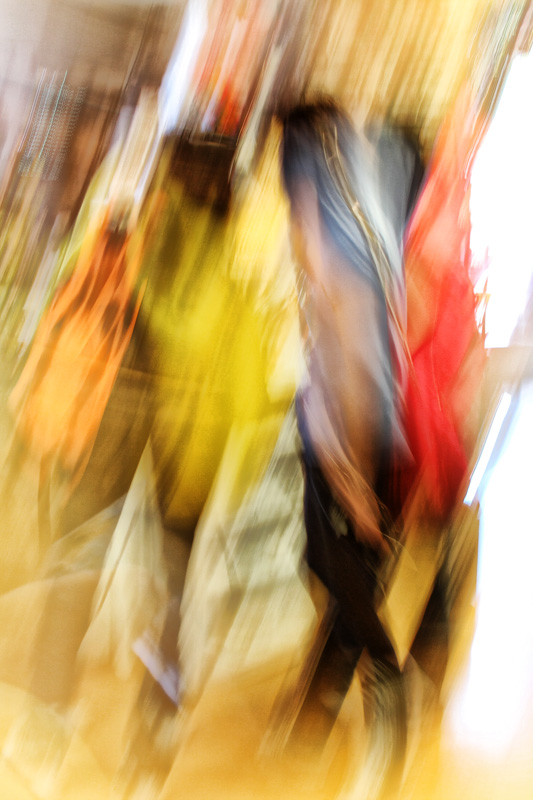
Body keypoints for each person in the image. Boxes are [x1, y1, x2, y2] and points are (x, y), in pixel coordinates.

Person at [279, 99, 423, 781]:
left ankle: (386, 706)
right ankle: (314, 713)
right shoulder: (335, 244)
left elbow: (365, 381)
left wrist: (358, 485)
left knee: (345, 582)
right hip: (336, 445)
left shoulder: (345, 262)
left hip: (359, 454)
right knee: (324, 567)